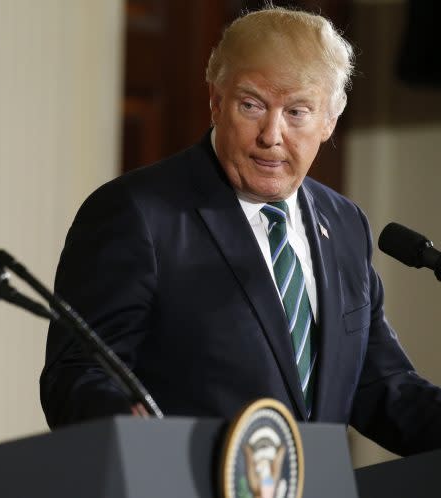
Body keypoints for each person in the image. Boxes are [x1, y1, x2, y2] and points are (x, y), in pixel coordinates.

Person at [40, 5, 441, 457]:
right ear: (216, 100)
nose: (271, 134)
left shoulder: (344, 223)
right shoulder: (137, 213)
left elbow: (382, 387)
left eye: (297, 111)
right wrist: (138, 434)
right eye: (251, 105)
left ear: (330, 119)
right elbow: (76, 374)